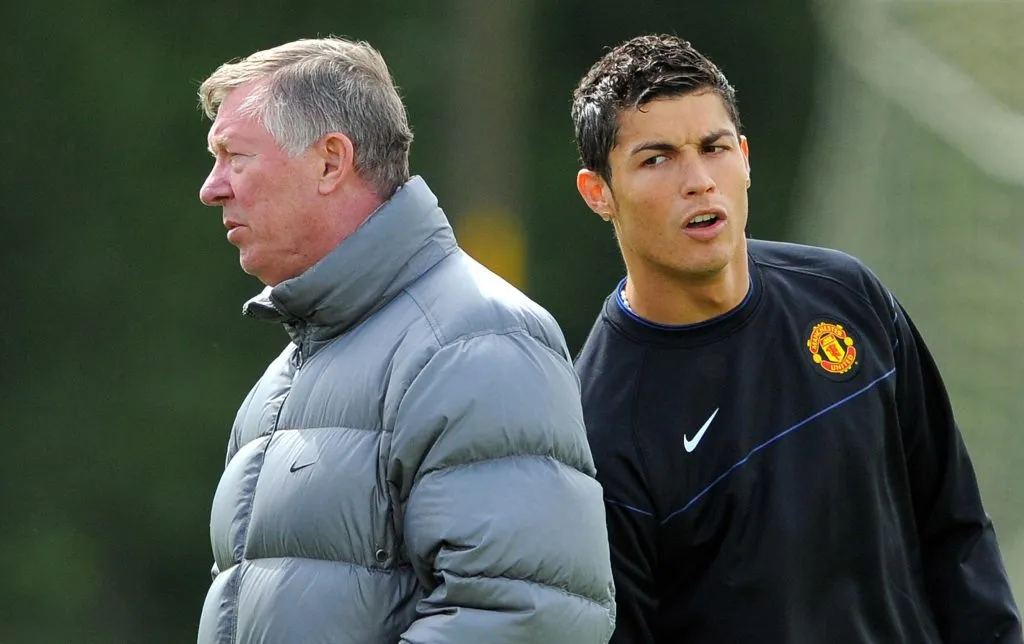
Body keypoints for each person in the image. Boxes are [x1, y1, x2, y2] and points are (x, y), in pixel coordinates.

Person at [570, 33, 1022, 643]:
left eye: (714, 147)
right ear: (599, 192)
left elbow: (955, 528)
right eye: (657, 158)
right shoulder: (600, 428)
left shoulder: (847, 296)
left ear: (746, 158)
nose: (699, 180)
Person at [194, 36, 615, 644]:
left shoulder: (478, 340)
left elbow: (524, 618)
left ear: (332, 161)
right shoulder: (283, 380)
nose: (213, 187)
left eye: (235, 157)